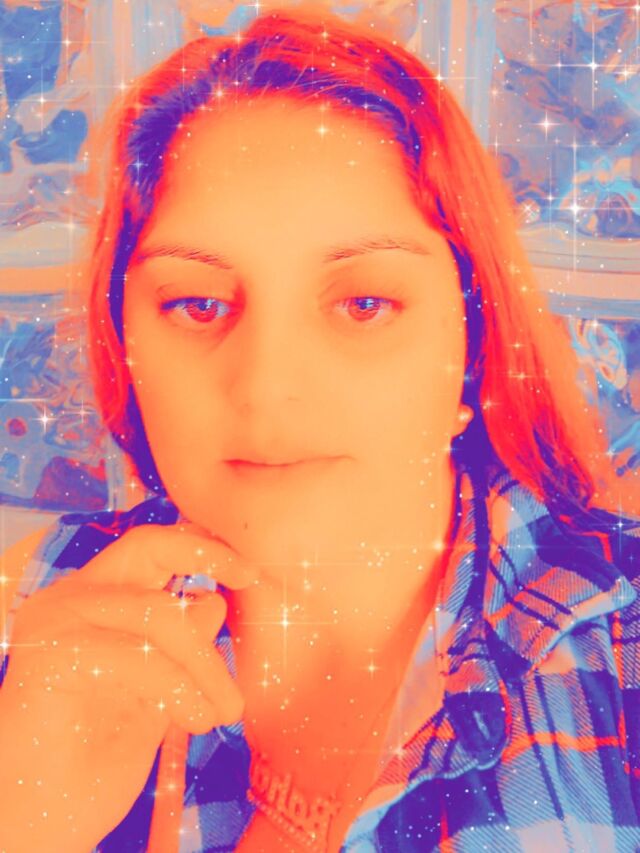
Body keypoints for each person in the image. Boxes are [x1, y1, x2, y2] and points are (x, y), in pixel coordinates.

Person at [1, 4, 639, 852]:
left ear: (472, 348)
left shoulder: (619, 652)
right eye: (197, 303)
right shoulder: (46, 607)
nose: (268, 388)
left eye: (364, 303)